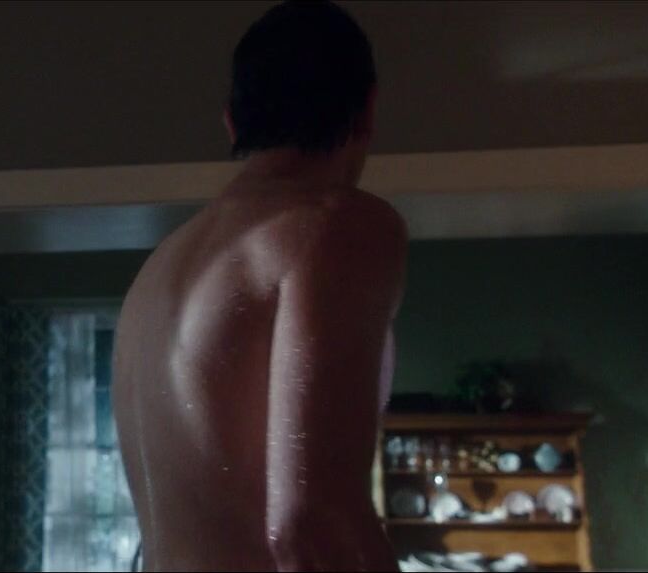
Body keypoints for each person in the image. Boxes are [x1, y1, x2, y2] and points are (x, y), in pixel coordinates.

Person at [112, 1, 405, 570]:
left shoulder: (160, 267)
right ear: (368, 107)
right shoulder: (336, 223)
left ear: (232, 121)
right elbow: (313, 522)